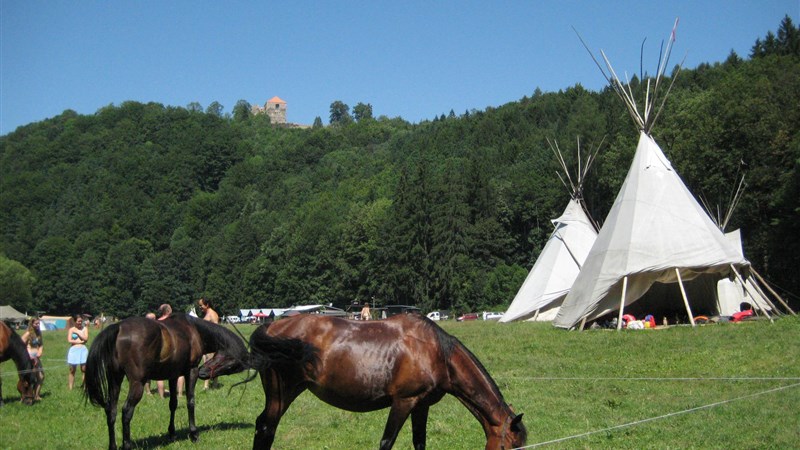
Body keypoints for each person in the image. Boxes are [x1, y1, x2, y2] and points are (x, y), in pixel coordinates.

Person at [156, 304, 184, 397]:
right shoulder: (173, 322)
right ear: (168, 311)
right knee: (180, 371)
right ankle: (179, 394)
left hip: (160, 348)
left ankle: (161, 395)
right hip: (173, 349)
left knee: (159, 373)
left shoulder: (157, 322)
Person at [198, 297, 220, 389]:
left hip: (212, 343)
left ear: (206, 305)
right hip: (205, 343)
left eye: (201, 305)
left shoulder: (213, 314)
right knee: (207, 363)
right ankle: (211, 384)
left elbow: (217, 329)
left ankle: (210, 385)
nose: (200, 307)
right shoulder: (207, 314)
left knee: (211, 363)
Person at [21, 317, 44, 400]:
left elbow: (41, 344)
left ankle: (37, 395)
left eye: (39, 323)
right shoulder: (28, 333)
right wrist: (28, 353)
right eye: (36, 323)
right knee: (30, 378)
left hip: (37, 357)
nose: (38, 325)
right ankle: (25, 396)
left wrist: (40, 351)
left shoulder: (39, 333)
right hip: (30, 358)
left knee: (41, 377)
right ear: (31, 323)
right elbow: (20, 344)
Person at [67, 314, 89, 390]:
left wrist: (79, 333)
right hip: (73, 350)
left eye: (81, 321)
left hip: (83, 350)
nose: (80, 323)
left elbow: (86, 339)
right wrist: (80, 342)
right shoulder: (71, 329)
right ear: (75, 321)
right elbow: (69, 340)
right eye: (78, 321)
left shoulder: (85, 329)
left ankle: (85, 387)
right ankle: (70, 388)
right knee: (72, 369)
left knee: (84, 369)